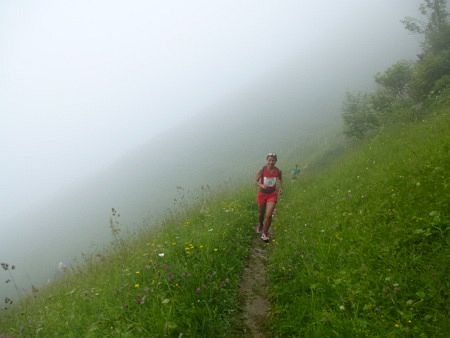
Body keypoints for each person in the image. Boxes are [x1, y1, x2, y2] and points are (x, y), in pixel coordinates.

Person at [256, 153, 283, 242]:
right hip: (262, 194)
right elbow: (256, 180)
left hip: (272, 194)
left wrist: (280, 188)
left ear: (276, 161)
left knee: (268, 215)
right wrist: (261, 185)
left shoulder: (278, 171)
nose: (271, 162)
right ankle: (260, 224)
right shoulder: (262, 169)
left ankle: (265, 233)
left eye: (273, 160)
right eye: (269, 160)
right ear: (267, 160)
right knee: (261, 214)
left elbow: (280, 180)